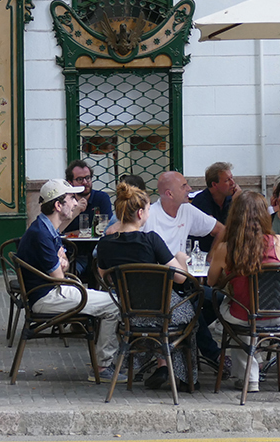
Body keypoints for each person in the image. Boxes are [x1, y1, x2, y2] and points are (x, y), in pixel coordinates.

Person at [17, 178, 120, 382]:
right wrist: (61, 263)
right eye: (72, 198)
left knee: (112, 299)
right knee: (115, 304)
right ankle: (103, 367)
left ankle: (107, 361)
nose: (76, 202)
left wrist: (61, 261)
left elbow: (62, 258)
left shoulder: (46, 228)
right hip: (47, 297)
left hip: (53, 292)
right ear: (58, 205)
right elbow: (59, 276)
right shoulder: (41, 233)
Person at [96, 182, 196, 391]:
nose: (149, 214)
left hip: (129, 313)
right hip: (162, 313)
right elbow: (180, 279)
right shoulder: (151, 240)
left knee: (165, 319)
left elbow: (104, 276)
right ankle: (184, 376)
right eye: (149, 209)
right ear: (140, 212)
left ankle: (158, 365)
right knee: (189, 317)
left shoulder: (106, 243)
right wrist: (181, 259)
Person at [136, 171, 229, 377]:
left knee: (219, 300)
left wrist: (211, 257)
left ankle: (187, 336)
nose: (190, 189)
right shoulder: (151, 216)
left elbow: (221, 230)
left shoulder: (187, 210)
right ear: (169, 193)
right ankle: (212, 353)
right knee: (195, 303)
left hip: (183, 279)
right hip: (157, 285)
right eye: (184, 186)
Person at [206, 191, 280, 393]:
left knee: (231, 308)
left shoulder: (226, 248)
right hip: (278, 316)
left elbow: (211, 281)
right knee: (243, 309)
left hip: (243, 316)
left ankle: (249, 376)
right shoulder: (278, 242)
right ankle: (251, 365)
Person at [190, 161, 240, 252]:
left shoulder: (230, 198)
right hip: (203, 252)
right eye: (227, 180)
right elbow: (218, 231)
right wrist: (235, 204)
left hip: (226, 251)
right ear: (214, 184)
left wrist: (239, 202)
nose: (233, 183)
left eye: (232, 178)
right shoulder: (201, 201)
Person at [62, 159, 113, 234]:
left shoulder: (101, 198)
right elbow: (58, 231)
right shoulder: (65, 200)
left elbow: (107, 227)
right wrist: (75, 212)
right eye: (80, 179)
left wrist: (83, 233)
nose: (85, 182)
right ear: (70, 182)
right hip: (70, 244)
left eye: (88, 178)